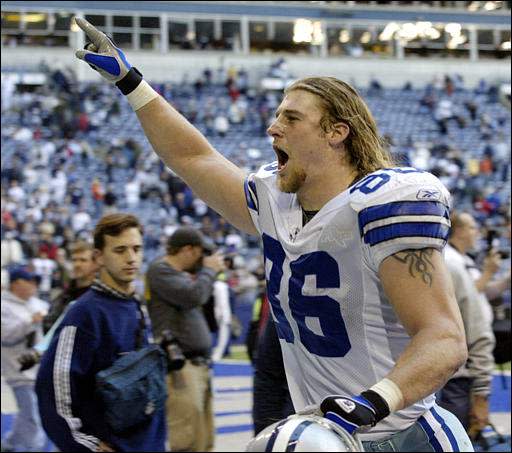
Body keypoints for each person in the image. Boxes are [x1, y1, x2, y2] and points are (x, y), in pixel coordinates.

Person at [74, 20, 472, 451]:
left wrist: (373, 401)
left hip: (405, 432)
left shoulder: (380, 205)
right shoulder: (277, 203)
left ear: (336, 133)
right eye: (278, 114)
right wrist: (132, 84)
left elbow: (444, 337)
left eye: (291, 117)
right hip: (334, 433)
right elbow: (193, 157)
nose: (272, 127)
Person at [35, 213, 167, 452]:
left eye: (137, 249)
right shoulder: (84, 313)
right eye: (120, 250)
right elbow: (53, 388)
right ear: (99, 257)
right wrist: (87, 445)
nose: (131, 258)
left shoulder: (134, 304)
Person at [145, 227, 225, 452]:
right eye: (201, 254)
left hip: (197, 366)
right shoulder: (159, 270)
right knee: (187, 440)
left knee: (204, 440)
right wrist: (209, 272)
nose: (204, 260)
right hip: (181, 368)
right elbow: (193, 296)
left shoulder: (182, 276)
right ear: (188, 249)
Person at [439, 212, 496, 439]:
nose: (477, 233)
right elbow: (475, 324)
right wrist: (482, 391)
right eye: (472, 227)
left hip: (452, 370)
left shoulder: (460, 261)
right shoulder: (450, 262)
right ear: (458, 230)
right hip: (451, 373)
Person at [1, 267, 47, 452]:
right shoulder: (3, 306)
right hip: (18, 369)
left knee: (28, 412)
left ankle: (11, 442)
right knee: (32, 415)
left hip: (38, 366)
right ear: (16, 284)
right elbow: (5, 335)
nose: (34, 285)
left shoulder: (36, 303)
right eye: (29, 281)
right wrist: (30, 321)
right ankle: (33, 448)